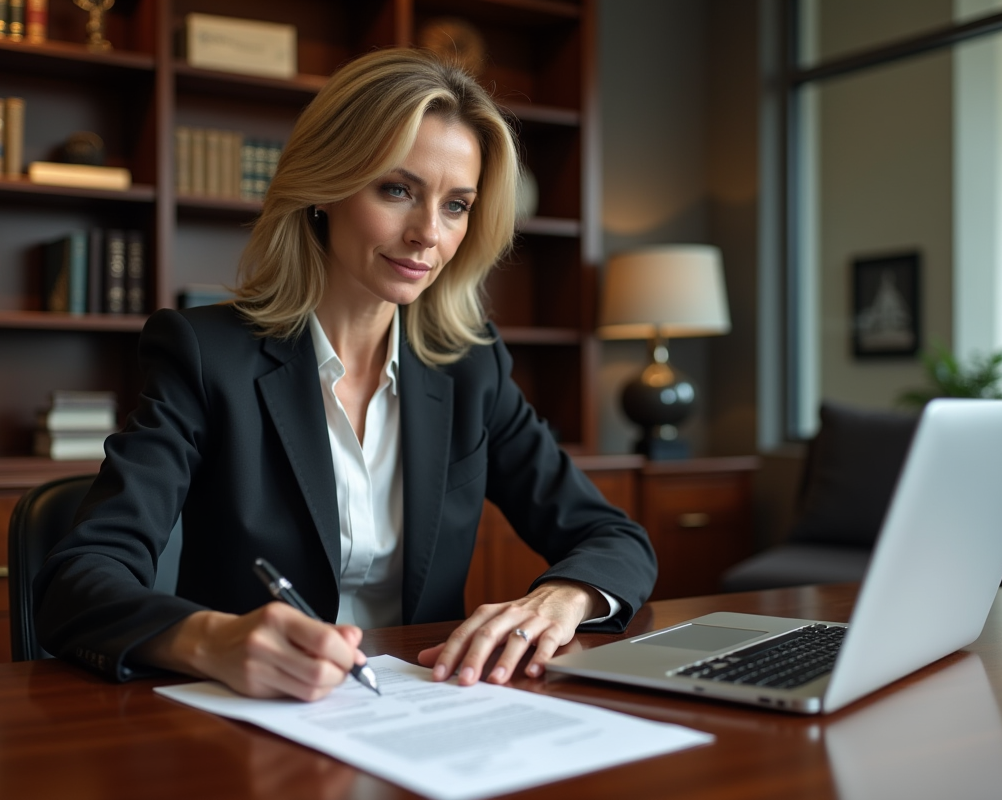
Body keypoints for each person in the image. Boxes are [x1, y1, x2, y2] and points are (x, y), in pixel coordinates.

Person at [33, 47, 657, 701]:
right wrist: (209, 640)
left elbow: (613, 536)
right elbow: (78, 579)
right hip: (252, 720)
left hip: (425, 708)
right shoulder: (204, 353)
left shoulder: (471, 364)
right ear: (324, 188)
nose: (428, 235)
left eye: (456, 205)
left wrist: (564, 598)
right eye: (397, 190)